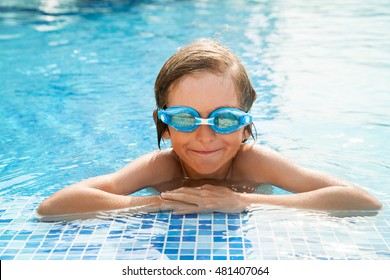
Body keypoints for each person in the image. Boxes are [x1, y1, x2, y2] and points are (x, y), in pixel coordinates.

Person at [37, 39, 381, 220]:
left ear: (245, 127)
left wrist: (242, 201)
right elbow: (54, 206)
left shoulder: (253, 162)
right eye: (186, 119)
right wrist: (161, 203)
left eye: (225, 119)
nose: (206, 136)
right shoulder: (162, 167)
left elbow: (362, 201)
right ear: (165, 126)